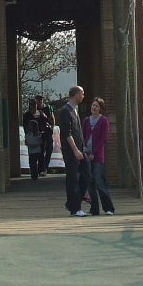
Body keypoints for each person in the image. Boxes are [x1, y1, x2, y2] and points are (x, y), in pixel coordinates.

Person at [81, 97, 117, 216]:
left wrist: (94, 153)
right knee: (90, 182)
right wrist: (85, 151)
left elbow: (103, 139)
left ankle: (109, 208)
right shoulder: (86, 120)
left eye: (96, 106)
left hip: (97, 156)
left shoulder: (104, 121)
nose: (94, 107)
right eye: (93, 105)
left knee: (98, 181)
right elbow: (84, 136)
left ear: (100, 108)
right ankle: (94, 209)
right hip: (87, 154)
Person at [58, 85, 87, 216]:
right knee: (73, 178)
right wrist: (75, 150)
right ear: (76, 95)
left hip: (81, 149)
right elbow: (67, 133)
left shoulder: (74, 110)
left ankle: (71, 202)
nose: (83, 97)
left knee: (86, 175)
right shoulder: (65, 111)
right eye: (82, 94)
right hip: (71, 151)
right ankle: (75, 208)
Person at [22, 96, 54, 181]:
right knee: (32, 155)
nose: (33, 106)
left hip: (41, 136)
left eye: (35, 104)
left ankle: (41, 170)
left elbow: (47, 121)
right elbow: (25, 127)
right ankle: (34, 173)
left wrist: (47, 128)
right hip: (31, 137)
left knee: (40, 155)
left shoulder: (40, 113)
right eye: (32, 105)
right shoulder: (27, 115)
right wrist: (27, 137)